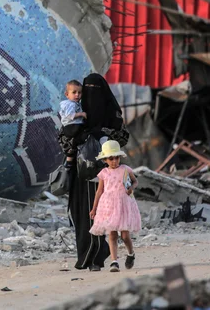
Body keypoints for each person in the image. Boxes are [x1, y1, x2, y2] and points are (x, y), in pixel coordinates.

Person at [64, 73, 129, 271]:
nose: (91, 97)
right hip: (79, 174)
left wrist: (101, 135)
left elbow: (122, 138)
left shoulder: (112, 117)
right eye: (87, 90)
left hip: (106, 176)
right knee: (82, 213)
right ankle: (85, 256)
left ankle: (98, 257)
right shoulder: (76, 112)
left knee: (103, 213)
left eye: (96, 91)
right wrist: (77, 136)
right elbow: (64, 140)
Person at [89, 140, 141, 273]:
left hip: (123, 204)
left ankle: (131, 253)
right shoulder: (104, 173)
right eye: (111, 158)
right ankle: (114, 261)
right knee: (111, 234)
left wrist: (131, 188)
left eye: (116, 157)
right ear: (105, 160)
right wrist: (94, 208)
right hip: (108, 205)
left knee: (124, 235)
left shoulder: (125, 170)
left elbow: (135, 181)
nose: (114, 161)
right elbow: (99, 191)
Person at [58, 80, 87, 168]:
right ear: (67, 94)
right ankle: (69, 161)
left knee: (74, 144)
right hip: (72, 126)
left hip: (73, 126)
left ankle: (69, 161)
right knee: (78, 140)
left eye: (79, 92)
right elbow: (70, 115)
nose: (77, 95)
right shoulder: (70, 104)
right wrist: (81, 114)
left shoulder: (74, 103)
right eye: (74, 92)